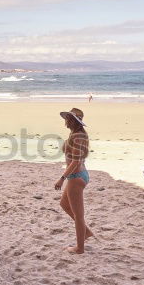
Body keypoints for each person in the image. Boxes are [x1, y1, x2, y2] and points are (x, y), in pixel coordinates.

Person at [55, 108, 96, 254]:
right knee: (64, 204)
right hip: (76, 176)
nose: (65, 120)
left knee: (79, 215)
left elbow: (76, 162)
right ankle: (85, 232)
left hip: (76, 177)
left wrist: (62, 178)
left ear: (73, 120)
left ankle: (79, 248)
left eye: (68, 118)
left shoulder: (78, 136)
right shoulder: (75, 134)